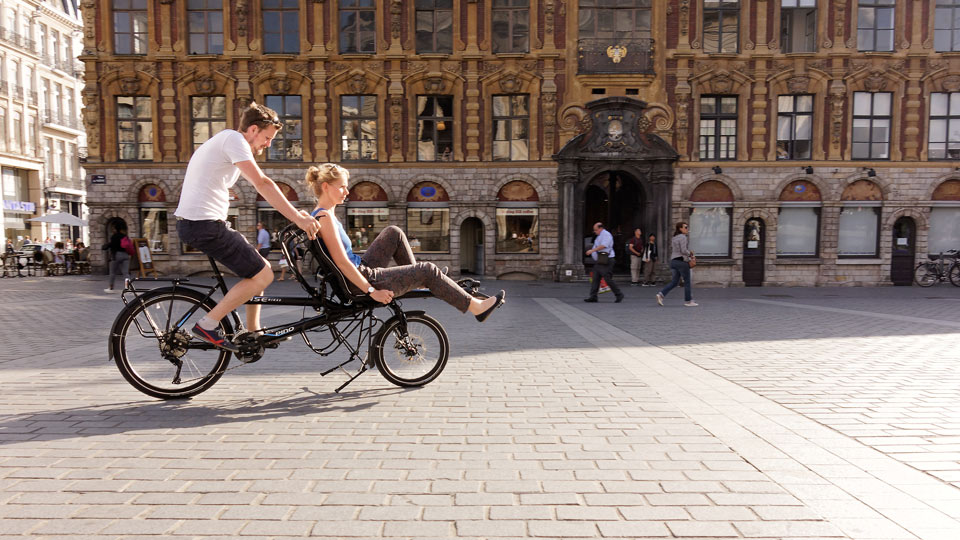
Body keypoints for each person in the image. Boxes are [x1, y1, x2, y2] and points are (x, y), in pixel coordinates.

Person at [175, 102, 320, 352]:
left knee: (257, 270)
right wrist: (297, 218)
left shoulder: (226, 142)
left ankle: (254, 331)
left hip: (202, 223)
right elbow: (263, 184)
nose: (268, 144)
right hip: (203, 224)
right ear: (252, 130)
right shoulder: (234, 140)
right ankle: (207, 324)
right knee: (264, 274)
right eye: (267, 137)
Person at [305, 163, 505, 322]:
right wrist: (372, 291)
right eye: (342, 186)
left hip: (360, 270)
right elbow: (342, 262)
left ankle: (418, 279)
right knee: (428, 270)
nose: (347, 191)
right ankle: (475, 307)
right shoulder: (325, 218)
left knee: (394, 233)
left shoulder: (322, 215)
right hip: (359, 279)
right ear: (325, 187)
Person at [656, 222, 697, 307]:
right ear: (680, 229)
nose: (687, 229)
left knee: (674, 282)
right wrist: (690, 254)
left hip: (674, 262)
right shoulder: (683, 237)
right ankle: (688, 301)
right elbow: (683, 250)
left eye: (687, 227)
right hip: (681, 262)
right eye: (685, 227)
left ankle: (661, 295)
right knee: (687, 282)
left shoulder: (674, 237)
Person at [584, 222, 624, 303]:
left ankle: (619, 294)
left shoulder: (606, 235)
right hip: (600, 260)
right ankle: (593, 296)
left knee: (607, 278)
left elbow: (604, 245)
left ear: (600, 228)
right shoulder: (599, 236)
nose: (594, 231)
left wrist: (592, 250)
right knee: (595, 278)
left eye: (595, 230)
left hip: (607, 260)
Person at [104, 226, 131, 292]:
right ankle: (128, 287)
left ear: (115, 229)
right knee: (125, 273)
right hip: (125, 255)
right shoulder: (125, 236)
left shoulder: (114, 236)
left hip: (116, 255)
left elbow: (112, 245)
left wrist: (106, 246)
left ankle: (111, 287)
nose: (112, 230)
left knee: (112, 272)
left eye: (113, 228)